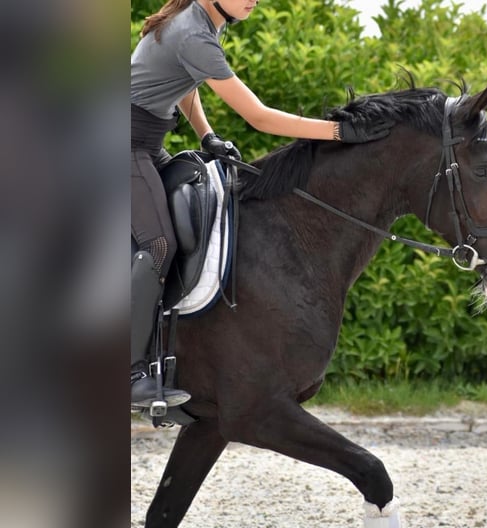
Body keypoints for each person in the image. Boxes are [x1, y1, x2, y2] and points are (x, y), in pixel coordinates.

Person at [130, 0, 393, 409]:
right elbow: (260, 117)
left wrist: (206, 135)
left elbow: (186, 84)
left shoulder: (203, 24)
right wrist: (339, 132)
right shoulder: (193, 32)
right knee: (158, 244)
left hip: (147, 144)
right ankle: (129, 371)